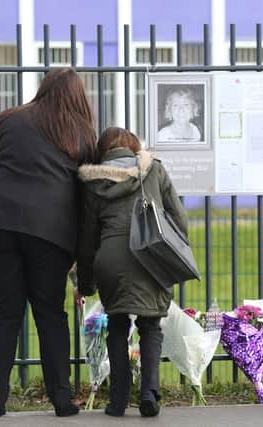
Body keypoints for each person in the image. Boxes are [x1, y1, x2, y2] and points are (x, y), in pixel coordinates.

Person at [0, 67, 97, 418]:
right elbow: (87, 189)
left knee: (5, 313)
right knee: (50, 314)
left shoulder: (10, 119)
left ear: (43, 88)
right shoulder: (82, 132)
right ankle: (61, 400)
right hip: (50, 232)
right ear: (76, 95)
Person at [75, 127, 188, 417]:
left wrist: (86, 283)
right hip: (150, 254)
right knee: (150, 326)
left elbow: (87, 239)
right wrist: (174, 255)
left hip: (111, 259)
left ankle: (118, 400)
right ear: (134, 146)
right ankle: (149, 393)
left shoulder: (93, 182)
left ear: (103, 151)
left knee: (117, 324)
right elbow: (179, 218)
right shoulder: (154, 171)